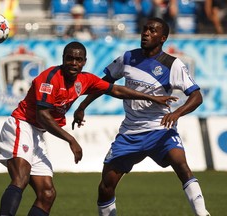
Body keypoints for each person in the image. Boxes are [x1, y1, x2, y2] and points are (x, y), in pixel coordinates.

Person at [0, 41, 177, 216]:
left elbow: (117, 90)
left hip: (37, 134)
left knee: (47, 194)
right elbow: (43, 116)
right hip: (22, 125)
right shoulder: (49, 79)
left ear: (84, 61)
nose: (74, 63)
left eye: (78, 59)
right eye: (69, 59)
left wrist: (152, 98)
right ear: (63, 59)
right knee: (21, 178)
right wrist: (71, 140)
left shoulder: (85, 79)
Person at [72, 18, 211, 216]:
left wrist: (177, 113)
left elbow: (196, 96)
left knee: (182, 166)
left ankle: (202, 213)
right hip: (130, 132)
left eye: (152, 31)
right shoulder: (128, 58)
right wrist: (82, 106)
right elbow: (104, 84)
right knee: (105, 187)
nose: (145, 33)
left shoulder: (173, 64)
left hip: (160, 128)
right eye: (145, 29)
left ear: (162, 38)